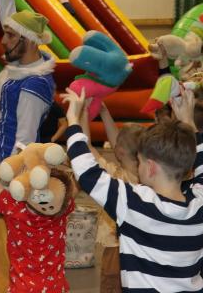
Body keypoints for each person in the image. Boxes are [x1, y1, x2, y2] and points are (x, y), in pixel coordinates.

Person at [62, 87, 203, 291]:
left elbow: (86, 172)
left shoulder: (134, 203)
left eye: (140, 160)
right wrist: (188, 121)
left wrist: (73, 119)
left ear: (151, 167)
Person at [0, 0, 56, 292]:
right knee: (6, 268)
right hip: (4, 181)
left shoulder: (33, 85)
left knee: (12, 271)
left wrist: (1, 193)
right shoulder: (22, 68)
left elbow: (23, 144)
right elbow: (7, 13)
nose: (3, 39)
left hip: (15, 187)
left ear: (28, 40)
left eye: (10, 36)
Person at [0, 163, 75, 292]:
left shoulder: (13, 208)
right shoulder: (62, 208)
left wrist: (18, 173)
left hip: (21, 288)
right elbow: (80, 180)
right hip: (55, 287)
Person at [85, 104, 143, 293]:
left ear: (119, 152)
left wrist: (82, 114)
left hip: (116, 250)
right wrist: (104, 111)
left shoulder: (115, 178)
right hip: (142, 250)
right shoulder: (149, 179)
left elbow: (87, 148)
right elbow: (124, 146)